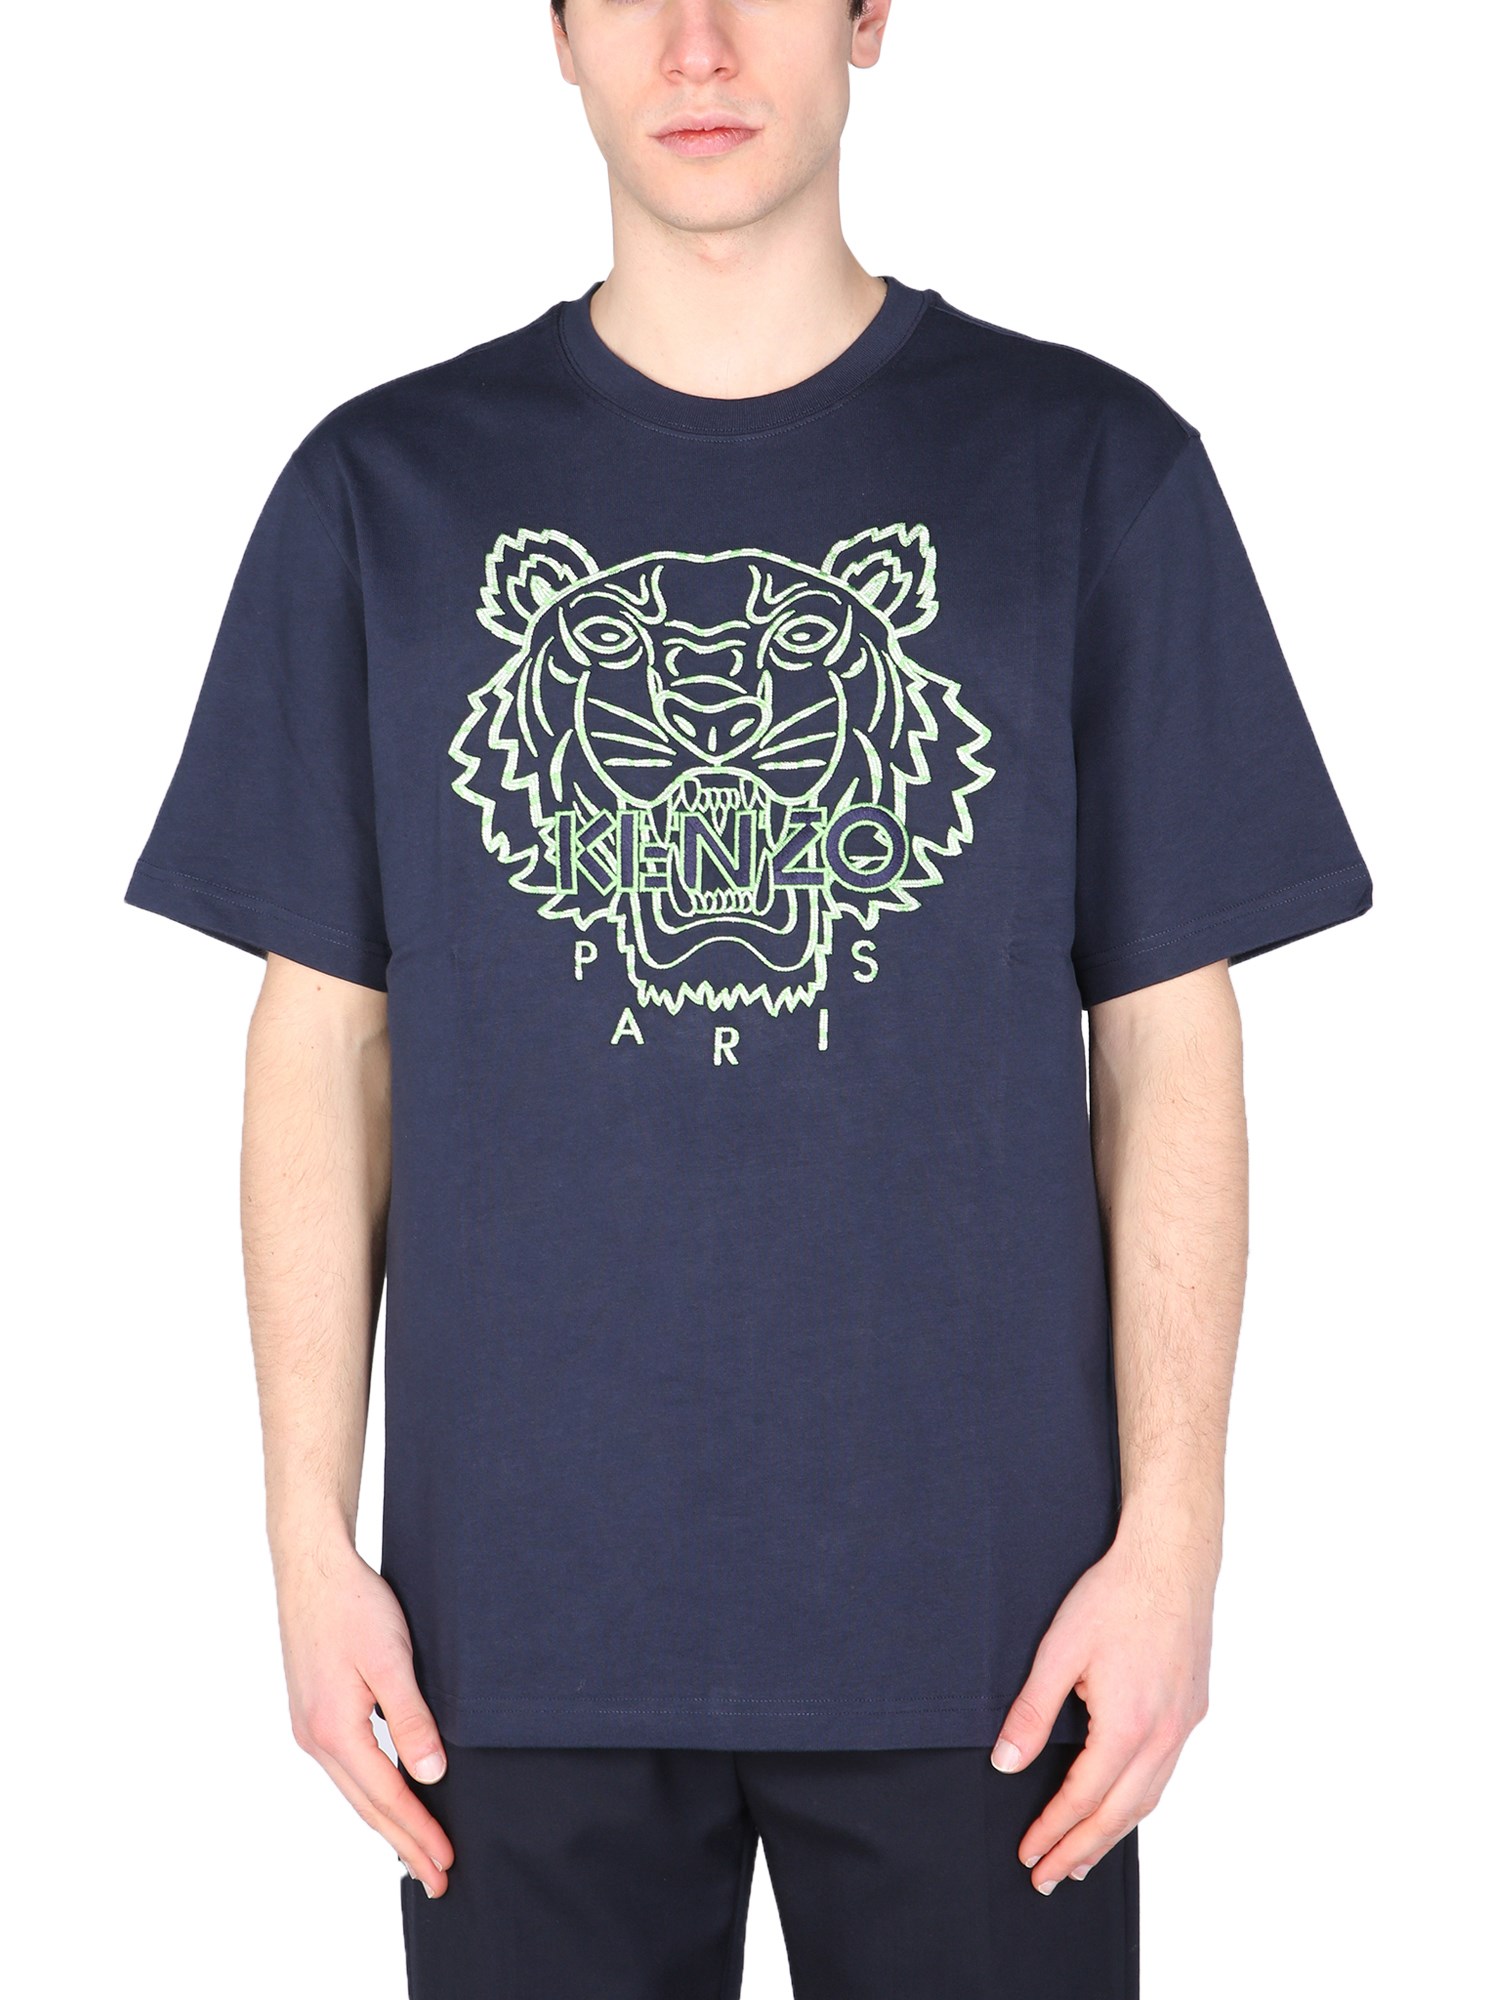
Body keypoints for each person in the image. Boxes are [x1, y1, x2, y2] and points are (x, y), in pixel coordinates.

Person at [122, 2, 1373, 1993]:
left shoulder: (1086, 470)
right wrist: (303, 1539)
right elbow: (320, 1040)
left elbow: (1170, 1037)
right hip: (507, 1635)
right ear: (553, 30)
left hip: (995, 1628)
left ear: (871, 15)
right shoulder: (386, 493)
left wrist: (1175, 1545)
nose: (696, 43)